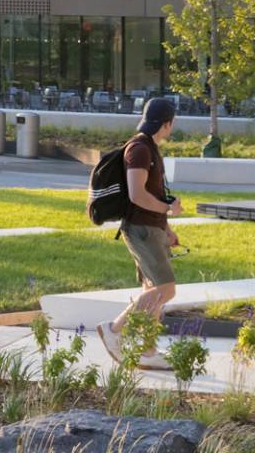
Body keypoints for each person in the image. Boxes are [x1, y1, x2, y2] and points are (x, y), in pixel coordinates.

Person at [95, 97, 182, 368]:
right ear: (167, 124)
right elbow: (136, 195)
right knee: (165, 290)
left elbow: (153, 194)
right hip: (141, 230)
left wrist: (166, 227)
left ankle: (148, 351)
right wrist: (167, 210)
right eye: (172, 124)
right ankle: (113, 329)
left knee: (152, 291)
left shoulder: (150, 149)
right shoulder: (140, 150)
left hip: (152, 229)